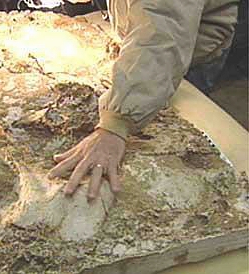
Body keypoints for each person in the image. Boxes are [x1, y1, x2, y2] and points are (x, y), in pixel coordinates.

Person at [48, 0, 240, 200]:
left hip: (185, 49)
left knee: (195, 125)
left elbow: (161, 34)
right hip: (152, 38)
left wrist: (115, 125)